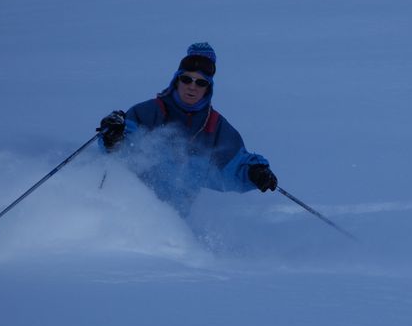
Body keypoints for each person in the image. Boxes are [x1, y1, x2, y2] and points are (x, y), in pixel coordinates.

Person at [97, 42, 277, 216]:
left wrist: (254, 172)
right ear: (177, 80)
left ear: (208, 88)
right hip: (123, 209)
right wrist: (112, 134)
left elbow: (234, 167)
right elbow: (117, 151)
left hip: (172, 222)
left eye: (201, 82)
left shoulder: (215, 127)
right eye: (187, 79)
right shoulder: (147, 112)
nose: (192, 86)